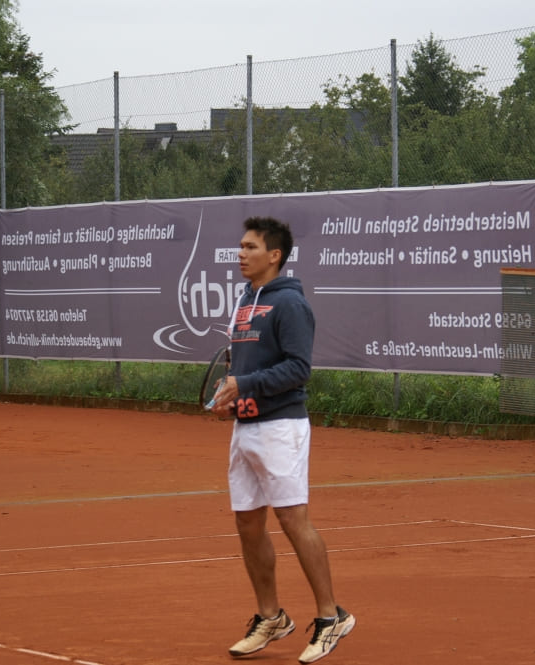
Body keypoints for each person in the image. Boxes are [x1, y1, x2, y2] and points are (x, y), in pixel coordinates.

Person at [209, 216, 355, 663]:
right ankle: (270, 617)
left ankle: (332, 617)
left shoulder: (290, 304)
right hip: (246, 427)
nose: (240, 253)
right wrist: (230, 396)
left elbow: (298, 369)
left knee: (293, 520)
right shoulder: (245, 300)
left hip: (281, 428)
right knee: (248, 523)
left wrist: (246, 384)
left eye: (250, 247)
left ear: (274, 255)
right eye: (239, 246)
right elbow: (244, 367)